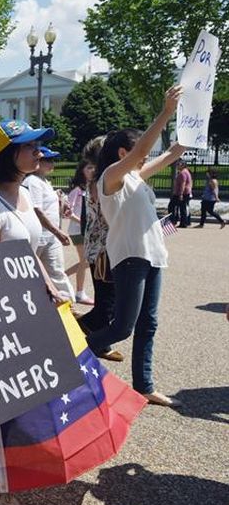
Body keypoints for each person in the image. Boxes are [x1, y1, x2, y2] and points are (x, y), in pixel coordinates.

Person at [0, 119, 64, 505]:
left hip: (30, 308)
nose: (38, 152)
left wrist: (48, 283)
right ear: (8, 154)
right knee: (3, 402)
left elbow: (27, 251)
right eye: (30, 146)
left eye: (38, 145)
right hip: (2, 317)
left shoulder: (24, 194)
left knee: (24, 395)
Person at [87, 85, 187, 407]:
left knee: (148, 324)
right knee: (122, 328)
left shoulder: (135, 177)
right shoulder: (110, 177)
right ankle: (72, 355)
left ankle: (144, 386)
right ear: (122, 153)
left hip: (153, 256)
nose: (145, 154)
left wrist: (191, 126)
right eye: (137, 150)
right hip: (130, 257)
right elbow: (143, 150)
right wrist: (166, 112)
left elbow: (171, 154)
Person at [76, 136, 124, 364]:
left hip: (104, 248)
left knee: (109, 300)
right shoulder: (100, 182)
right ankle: (87, 333)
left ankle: (97, 338)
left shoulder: (101, 180)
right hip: (103, 250)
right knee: (108, 302)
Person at [22, 146, 75, 301]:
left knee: (56, 272)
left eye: (53, 160)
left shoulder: (44, 181)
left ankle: (68, 305)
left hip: (50, 236)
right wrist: (57, 231)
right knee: (31, 274)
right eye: (48, 160)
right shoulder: (32, 181)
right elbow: (37, 210)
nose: (52, 163)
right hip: (40, 236)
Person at [64, 159, 95, 304]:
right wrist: (82, 222)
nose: (92, 170)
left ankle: (63, 276)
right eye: (89, 167)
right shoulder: (77, 190)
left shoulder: (90, 188)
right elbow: (67, 212)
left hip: (87, 230)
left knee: (86, 260)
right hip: (78, 230)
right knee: (85, 260)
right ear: (82, 170)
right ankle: (80, 293)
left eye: (94, 167)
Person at [168, 160, 192, 227]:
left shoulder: (183, 173)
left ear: (183, 165)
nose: (178, 165)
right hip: (185, 192)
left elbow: (183, 184)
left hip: (181, 193)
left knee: (171, 206)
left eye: (179, 164)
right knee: (182, 208)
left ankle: (173, 221)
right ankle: (184, 222)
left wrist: (180, 194)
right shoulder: (186, 172)